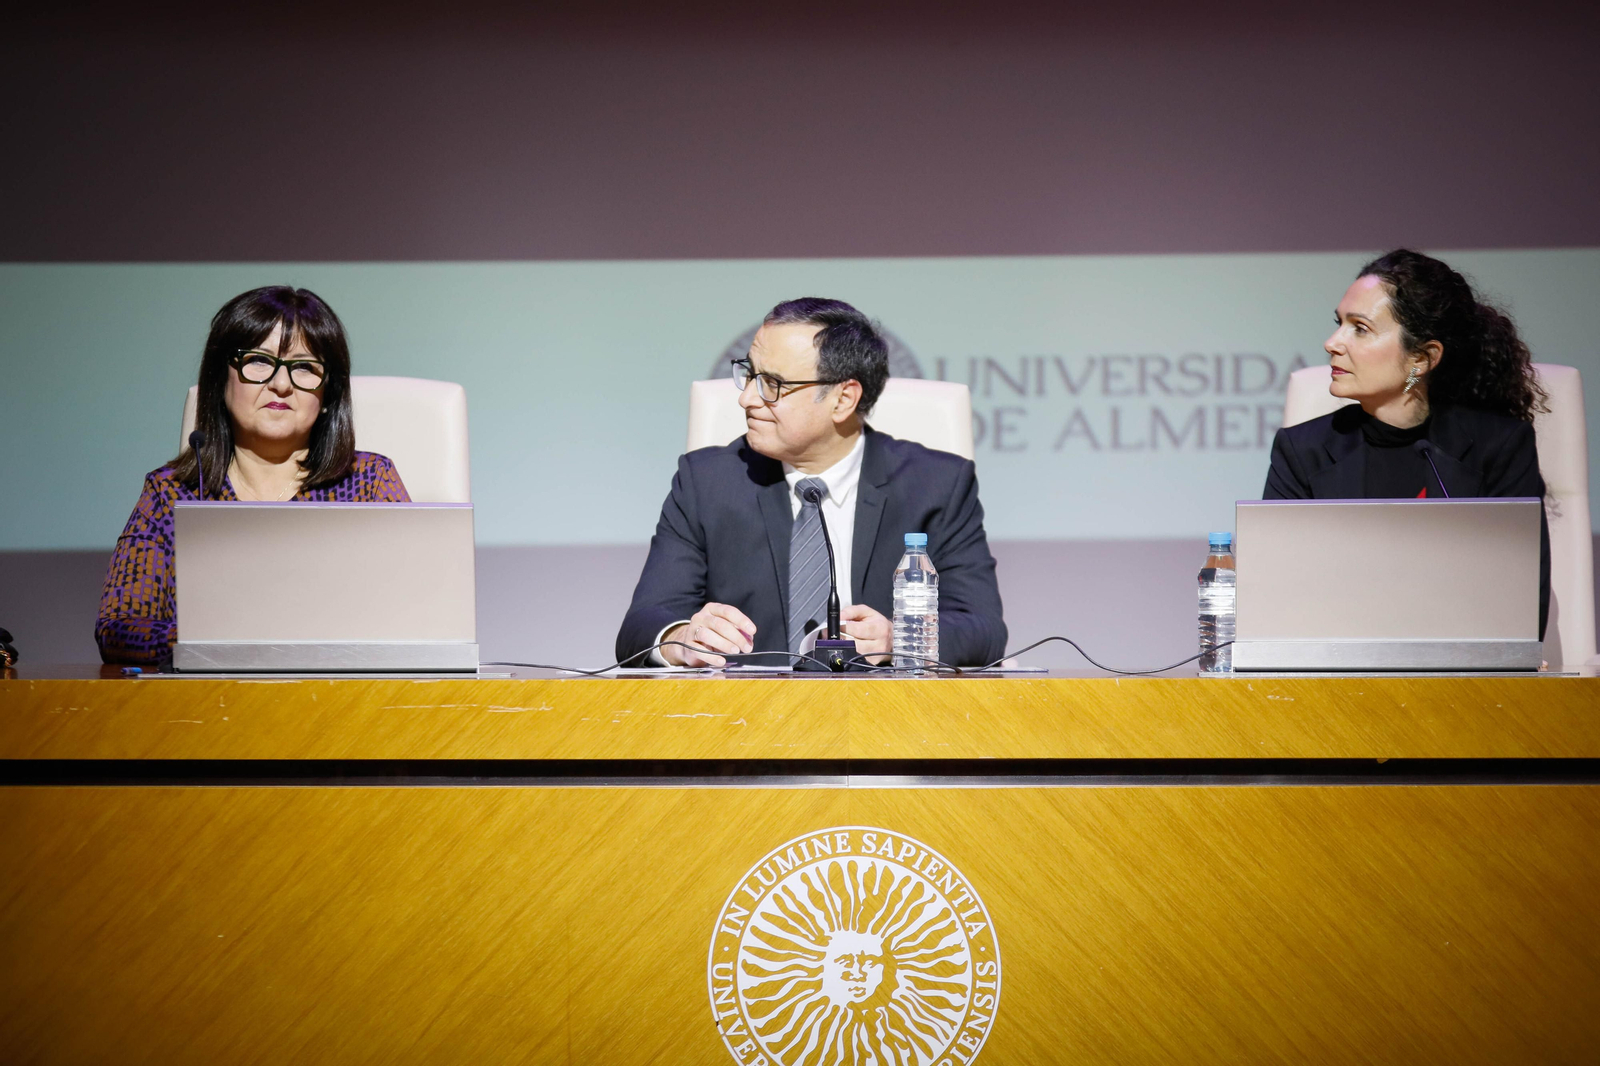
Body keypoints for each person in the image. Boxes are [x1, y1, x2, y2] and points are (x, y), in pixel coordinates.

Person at [616, 297, 1006, 668]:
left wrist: (897, 639)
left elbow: (983, 629)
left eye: (772, 383)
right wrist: (683, 637)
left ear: (842, 399)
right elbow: (642, 625)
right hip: (743, 722)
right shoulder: (706, 482)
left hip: (886, 721)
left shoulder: (936, 484)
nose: (747, 398)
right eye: (749, 375)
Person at [96, 286, 410, 665]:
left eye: (304, 367)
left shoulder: (369, 483)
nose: (281, 384)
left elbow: (413, 618)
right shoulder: (171, 493)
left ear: (328, 394)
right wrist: (228, 642)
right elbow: (119, 628)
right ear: (220, 379)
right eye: (259, 361)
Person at [1263, 248, 1550, 635]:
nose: (1332, 342)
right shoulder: (1302, 451)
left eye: (1359, 328)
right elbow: (1275, 601)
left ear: (1422, 358)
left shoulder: (1498, 447)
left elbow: (1521, 605)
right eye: (1339, 324)